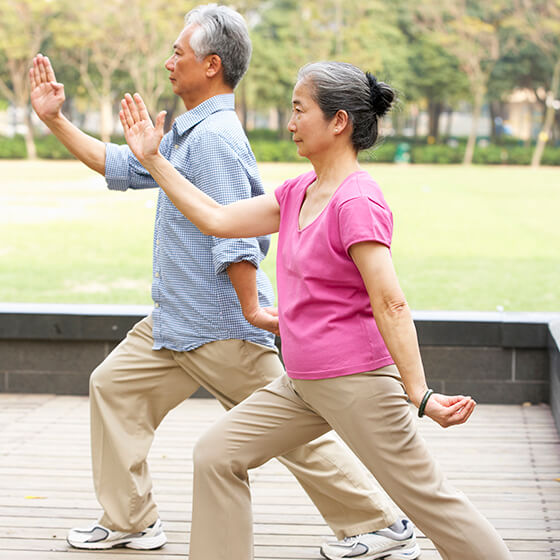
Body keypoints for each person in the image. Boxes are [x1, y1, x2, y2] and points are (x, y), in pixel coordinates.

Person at [29, 5, 419, 558]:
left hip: (221, 326)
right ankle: (130, 520)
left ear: (211, 65)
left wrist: (253, 313)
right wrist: (54, 119)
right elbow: (121, 163)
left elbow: (236, 232)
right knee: (112, 387)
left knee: (294, 434)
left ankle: (382, 525)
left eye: (178, 53)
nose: (168, 63)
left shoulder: (215, 137)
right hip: (173, 322)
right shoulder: (188, 132)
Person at [118, 61, 514, 560]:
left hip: (359, 383)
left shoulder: (357, 201)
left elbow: (390, 302)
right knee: (217, 455)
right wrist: (154, 160)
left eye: (299, 110)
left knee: (432, 503)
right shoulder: (298, 192)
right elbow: (217, 220)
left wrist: (420, 393)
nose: (290, 123)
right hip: (300, 383)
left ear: (339, 122)